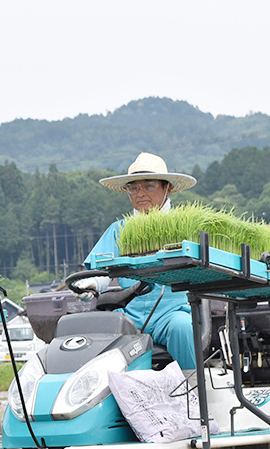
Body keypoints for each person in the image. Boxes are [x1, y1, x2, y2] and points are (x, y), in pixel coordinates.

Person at [73, 152, 198, 368]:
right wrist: (91, 284)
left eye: (148, 186)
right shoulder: (119, 230)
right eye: (134, 187)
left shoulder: (184, 227)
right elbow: (100, 270)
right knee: (96, 334)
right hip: (129, 312)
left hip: (171, 313)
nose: (140, 193)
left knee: (183, 328)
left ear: (167, 188)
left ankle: (195, 390)